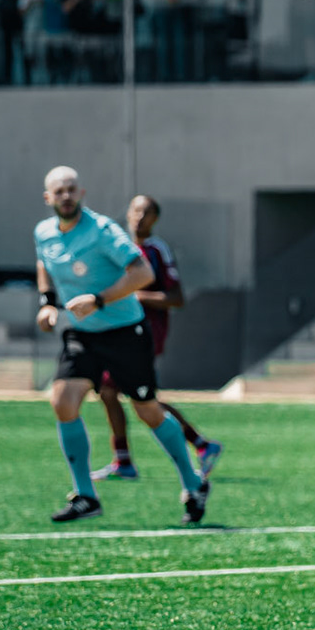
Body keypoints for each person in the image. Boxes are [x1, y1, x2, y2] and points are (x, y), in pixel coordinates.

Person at [32, 167, 211, 525]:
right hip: (82, 333)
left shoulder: (102, 231)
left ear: (81, 193)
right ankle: (86, 496)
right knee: (62, 402)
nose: (66, 196)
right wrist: (48, 302)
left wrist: (99, 300)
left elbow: (142, 273)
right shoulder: (43, 232)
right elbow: (44, 262)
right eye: (58, 191)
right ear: (48, 198)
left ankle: (193, 482)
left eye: (71, 189)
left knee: (147, 411)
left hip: (125, 331)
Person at [90, 196, 223, 484]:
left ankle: (198, 445)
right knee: (112, 390)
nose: (140, 216)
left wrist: (135, 294)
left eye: (147, 212)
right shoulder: (121, 249)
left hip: (146, 332)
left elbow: (176, 298)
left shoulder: (156, 251)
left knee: (138, 397)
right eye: (136, 210)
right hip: (118, 331)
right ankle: (126, 459)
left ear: (155, 219)